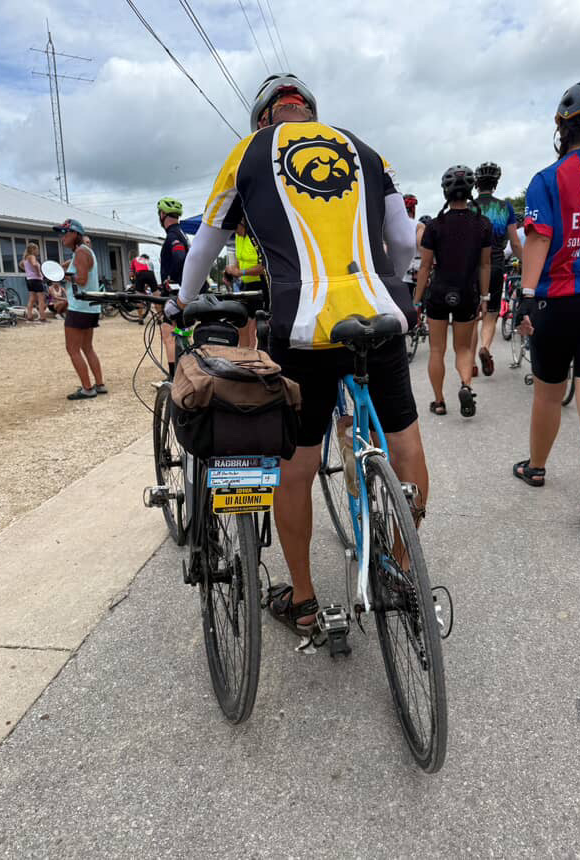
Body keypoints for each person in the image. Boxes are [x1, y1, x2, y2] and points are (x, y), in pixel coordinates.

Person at [168, 72, 423, 633]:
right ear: (310, 111)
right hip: (379, 311)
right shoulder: (363, 148)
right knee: (402, 438)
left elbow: (206, 242)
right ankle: (403, 572)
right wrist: (389, 284)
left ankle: (304, 603)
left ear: (264, 118)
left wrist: (183, 301)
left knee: (297, 465)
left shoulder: (249, 153)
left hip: (303, 325)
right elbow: (404, 242)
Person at [513, 78, 580, 530]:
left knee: (549, 394)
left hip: (557, 301)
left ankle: (536, 467)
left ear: (562, 127)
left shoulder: (547, 179)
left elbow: (539, 238)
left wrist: (526, 298)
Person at [414, 165, 492, 417]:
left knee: (437, 350)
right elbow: (485, 264)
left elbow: (425, 267)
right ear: (470, 190)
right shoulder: (482, 224)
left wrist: (416, 302)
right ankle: (466, 386)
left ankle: (439, 402)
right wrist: (484, 297)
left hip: (438, 293)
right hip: (466, 294)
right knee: (464, 349)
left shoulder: (435, 226)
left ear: (445, 191)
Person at [472, 162, 522, 376]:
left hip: (473, 265)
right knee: (491, 314)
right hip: (496, 262)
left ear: (476, 183)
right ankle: (485, 348)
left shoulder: (470, 206)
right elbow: (516, 243)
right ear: (495, 183)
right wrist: (528, 264)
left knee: (473, 316)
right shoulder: (506, 207)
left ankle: (471, 362)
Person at [53, 218, 107, 400]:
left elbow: (82, 280)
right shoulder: (81, 252)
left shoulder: (82, 252)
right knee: (87, 347)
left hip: (81, 308)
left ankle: (87, 388)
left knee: (73, 349)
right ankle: (99, 384)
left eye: (65, 233)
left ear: (75, 234)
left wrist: (65, 277)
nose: (62, 238)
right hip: (89, 307)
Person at [157, 198, 189, 377]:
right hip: (185, 292)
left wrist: (171, 280)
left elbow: (179, 258)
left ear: (162, 215)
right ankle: (186, 371)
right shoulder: (182, 234)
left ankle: (173, 377)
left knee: (168, 334)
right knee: (182, 332)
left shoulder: (172, 236)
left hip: (175, 293)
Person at [224, 218, 267, 347]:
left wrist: (241, 272)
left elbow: (264, 267)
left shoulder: (256, 237)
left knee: (253, 328)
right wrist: (230, 273)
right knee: (242, 326)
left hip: (261, 284)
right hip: (245, 286)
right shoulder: (238, 237)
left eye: (235, 228)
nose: (235, 232)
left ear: (242, 223)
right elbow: (238, 260)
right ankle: (245, 358)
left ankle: (256, 358)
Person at [400, 194, 425, 296]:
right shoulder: (418, 226)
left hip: (396, 276)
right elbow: (422, 248)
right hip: (414, 275)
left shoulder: (391, 226)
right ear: (413, 209)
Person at [19, 242, 48, 322]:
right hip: (36, 279)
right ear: (33, 249)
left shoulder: (25, 258)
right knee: (41, 298)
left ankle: (29, 316)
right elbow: (35, 265)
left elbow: (20, 265)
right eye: (37, 249)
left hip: (29, 279)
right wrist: (38, 273)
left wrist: (28, 271)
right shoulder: (32, 256)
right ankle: (42, 317)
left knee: (32, 298)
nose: (38, 251)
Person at [130, 252, 158, 324]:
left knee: (139, 297)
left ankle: (140, 319)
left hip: (140, 274)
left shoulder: (135, 259)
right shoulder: (150, 262)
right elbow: (151, 275)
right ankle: (159, 318)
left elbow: (132, 274)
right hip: (150, 274)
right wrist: (147, 286)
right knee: (156, 296)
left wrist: (134, 283)